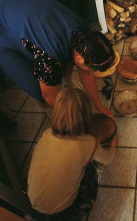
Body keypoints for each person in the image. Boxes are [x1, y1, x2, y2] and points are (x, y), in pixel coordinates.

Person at [0, 0, 115, 118]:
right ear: (80, 59)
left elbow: (86, 69)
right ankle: (53, 117)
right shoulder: (49, 59)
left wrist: (97, 105)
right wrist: (71, 119)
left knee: (60, 62)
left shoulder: (86, 36)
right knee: (35, 86)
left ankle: (65, 84)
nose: (91, 71)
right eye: (93, 68)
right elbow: (49, 97)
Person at [27, 88, 117, 220]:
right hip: (62, 213)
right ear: (86, 116)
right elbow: (107, 159)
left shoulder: (46, 133)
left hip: (33, 205)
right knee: (90, 167)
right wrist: (113, 145)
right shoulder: (88, 143)